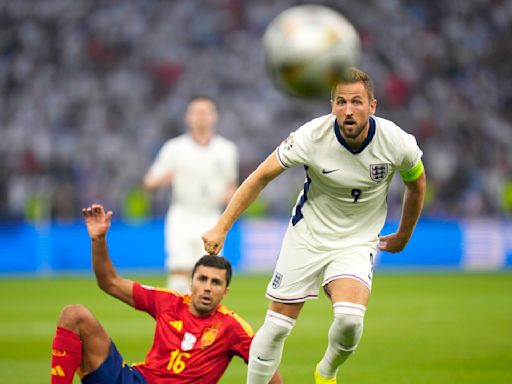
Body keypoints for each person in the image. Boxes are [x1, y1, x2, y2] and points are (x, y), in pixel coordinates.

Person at [202, 67, 426, 384]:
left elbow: (417, 183)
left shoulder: (397, 142)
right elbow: (261, 176)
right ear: (332, 104)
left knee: (349, 320)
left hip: (357, 241)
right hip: (307, 235)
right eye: (341, 102)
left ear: (372, 106)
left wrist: (404, 234)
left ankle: (326, 372)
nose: (348, 110)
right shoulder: (310, 136)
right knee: (277, 326)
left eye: (357, 102)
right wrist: (222, 225)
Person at [50, 203, 282, 384]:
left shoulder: (232, 327)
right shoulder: (167, 301)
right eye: (202, 279)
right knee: (74, 315)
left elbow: (265, 362)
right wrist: (99, 240)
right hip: (137, 380)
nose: (208, 287)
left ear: (225, 292)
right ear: (191, 284)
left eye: (216, 283)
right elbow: (109, 282)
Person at [144, 95, 238, 292]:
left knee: (213, 273)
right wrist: (160, 180)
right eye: (197, 112)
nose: (201, 117)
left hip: (212, 217)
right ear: (188, 117)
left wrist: (231, 197)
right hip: (182, 215)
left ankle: (205, 323)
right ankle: (179, 321)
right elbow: (149, 181)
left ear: (214, 117)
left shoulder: (227, 150)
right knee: (179, 271)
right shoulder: (174, 148)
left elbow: (231, 185)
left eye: (206, 112)